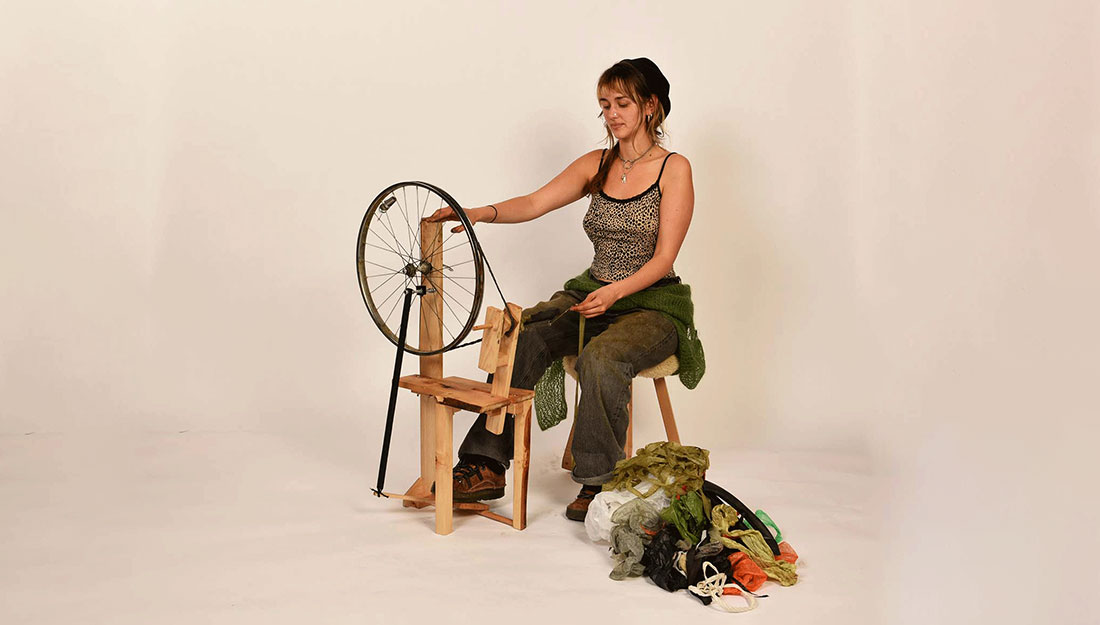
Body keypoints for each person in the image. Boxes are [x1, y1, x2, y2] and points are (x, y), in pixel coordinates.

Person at [425, 57, 702, 522]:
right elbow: (534, 202)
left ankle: (598, 483)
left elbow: (663, 260)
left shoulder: (674, 169)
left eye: (622, 103)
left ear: (651, 106)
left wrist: (615, 294)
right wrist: (476, 212)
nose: (611, 114)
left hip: (652, 304)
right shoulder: (598, 163)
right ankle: (485, 465)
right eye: (604, 105)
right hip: (592, 292)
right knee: (527, 333)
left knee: (602, 357)